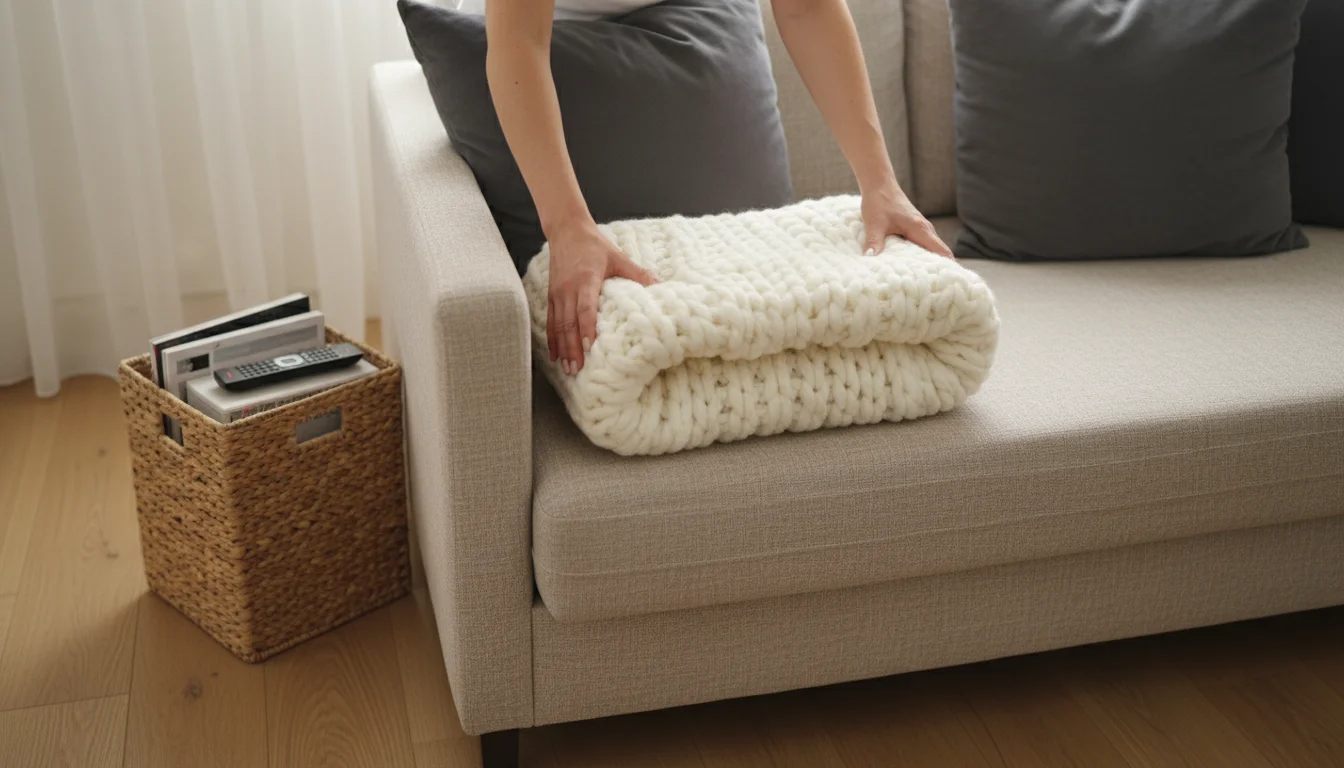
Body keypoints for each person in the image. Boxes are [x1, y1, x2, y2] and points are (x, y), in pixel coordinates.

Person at [482, 0, 953, 374]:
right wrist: (567, 228)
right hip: (545, 91)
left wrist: (880, 183)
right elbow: (518, 41)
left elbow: (807, 6)